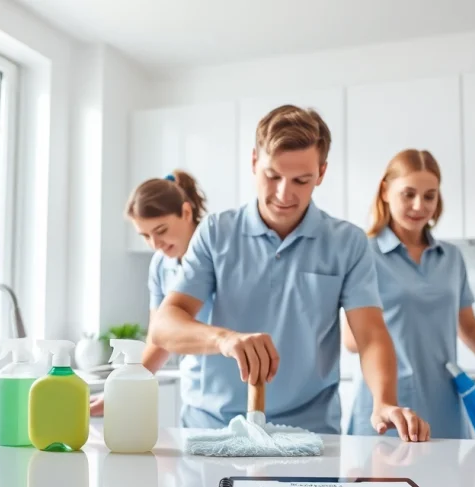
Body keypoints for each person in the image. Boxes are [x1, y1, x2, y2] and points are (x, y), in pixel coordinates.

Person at [147, 105, 430, 441]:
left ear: (321, 173)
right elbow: (164, 326)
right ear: (254, 162)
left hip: (308, 435)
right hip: (210, 429)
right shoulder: (215, 233)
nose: (284, 193)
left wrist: (384, 401)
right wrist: (225, 340)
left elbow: (370, 334)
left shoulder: (347, 243)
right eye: (273, 176)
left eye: (301, 180)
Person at [343, 149, 475, 439]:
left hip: (443, 402)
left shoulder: (451, 258)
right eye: (408, 194)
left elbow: (469, 329)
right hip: (389, 406)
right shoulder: (363, 254)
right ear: (385, 191)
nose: (419, 206)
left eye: (429, 196)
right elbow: (352, 341)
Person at [90, 170, 211, 417]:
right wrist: (119, 392)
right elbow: (159, 336)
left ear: (186, 213)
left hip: (235, 389)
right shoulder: (160, 264)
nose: (155, 244)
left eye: (161, 230)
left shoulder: (216, 249)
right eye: (145, 235)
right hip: (196, 399)